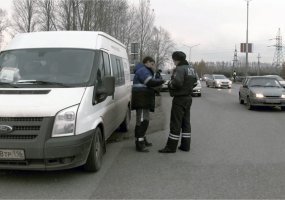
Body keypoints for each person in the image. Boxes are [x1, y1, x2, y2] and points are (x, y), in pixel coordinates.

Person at [158, 51, 197, 153]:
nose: (173, 62)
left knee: (175, 123)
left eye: (173, 60)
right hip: (188, 98)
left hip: (179, 99)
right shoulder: (191, 69)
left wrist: (170, 84)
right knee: (186, 122)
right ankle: (185, 145)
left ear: (176, 59)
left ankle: (171, 147)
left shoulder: (179, 69)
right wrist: (187, 89)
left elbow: (177, 82)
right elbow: (195, 82)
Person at [131, 56, 165, 152]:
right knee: (141, 122)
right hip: (141, 100)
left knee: (144, 121)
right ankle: (139, 144)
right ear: (147, 62)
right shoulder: (142, 70)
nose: (153, 66)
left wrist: (157, 77)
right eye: (152, 64)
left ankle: (143, 139)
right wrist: (161, 81)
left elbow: (151, 84)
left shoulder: (146, 70)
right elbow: (149, 82)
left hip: (144, 100)